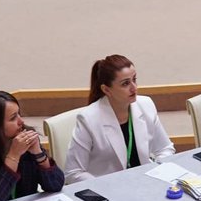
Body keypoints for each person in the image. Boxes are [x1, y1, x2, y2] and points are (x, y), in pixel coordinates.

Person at [66, 54, 175, 182]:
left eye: (134, 79)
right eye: (125, 84)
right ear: (106, 90)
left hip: (145, 182)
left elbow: (165, 148)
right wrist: (107, 187)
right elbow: (73, 172)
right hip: (108, 189)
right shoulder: (88, 119)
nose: (134, 88)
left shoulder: (146, 104)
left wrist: (157, 172)